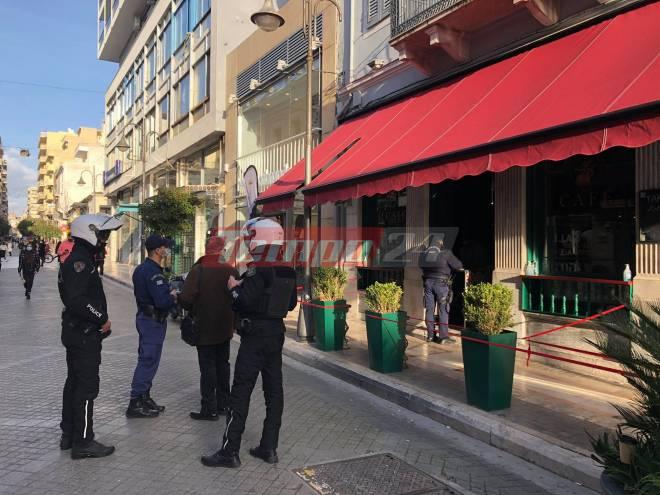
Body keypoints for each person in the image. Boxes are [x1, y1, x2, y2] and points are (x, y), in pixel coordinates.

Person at [201, 218, 297, 469]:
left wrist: (233, 287)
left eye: (251, 237)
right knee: (274, 392)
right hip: (276, 335)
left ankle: (229, 451)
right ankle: (269, 448)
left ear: (260, 239)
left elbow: (241, 301)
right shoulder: (288, 269)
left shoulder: (257, 270)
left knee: (241, 392)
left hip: (255, 337)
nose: (248, 242)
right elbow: (290, 304)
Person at [58, 213, 123, 459]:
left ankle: (69, 435)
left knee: (74, 384)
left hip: (77, 333)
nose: (104, 240)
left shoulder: (80, 258)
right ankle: (83, 441)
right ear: (89, 232)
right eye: (102, 235)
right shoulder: (80, 262)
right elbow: (77, 300)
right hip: (83, 335)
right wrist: (101, 318)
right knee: (86, 388)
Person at [179, 237, 239, 421]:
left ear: (207, 249)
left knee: (207, 368)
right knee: (223, 365)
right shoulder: (231, 270)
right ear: (221, 250)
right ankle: (224, 404)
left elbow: (186, 299)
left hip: (204, 328)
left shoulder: (198, 270)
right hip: (225, 327)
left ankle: (209, 408)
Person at [126, 234, 177, 418]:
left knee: (149, 359)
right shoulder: (153, 272)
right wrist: (173, 295)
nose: (167, 250)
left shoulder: (142, 269)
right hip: (152, 321)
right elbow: (162, 301)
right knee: (148, 360)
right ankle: (135, 402)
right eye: (165, 247)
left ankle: (144, 397)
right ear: (157, 250)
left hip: (146, 318)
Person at [418, 236, 464, 344]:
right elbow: (458, 266)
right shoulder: (446, 253)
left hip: (428, 283)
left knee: (429, 310)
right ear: (440, 244)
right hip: (441, 285)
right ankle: (443, 337)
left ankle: (430, 336)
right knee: (443, 310)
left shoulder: (423, 254)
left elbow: (420, 266)